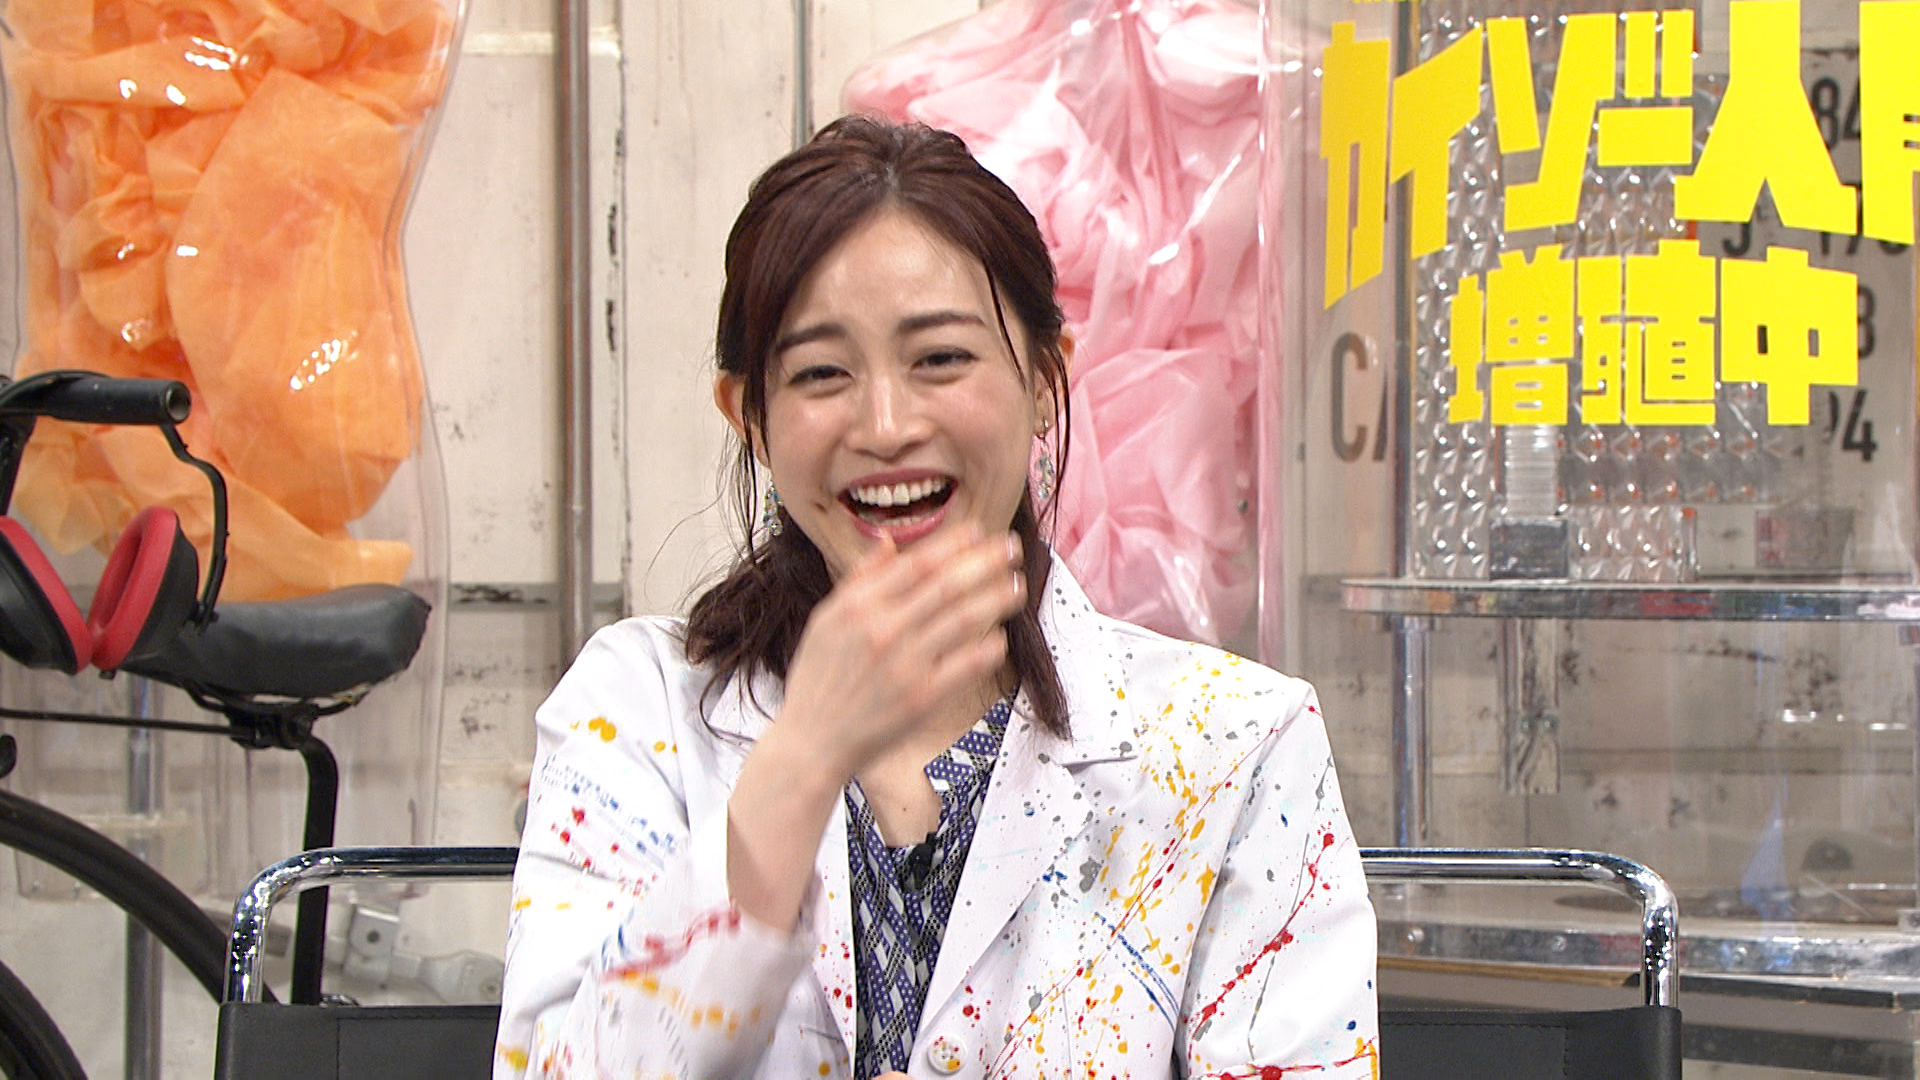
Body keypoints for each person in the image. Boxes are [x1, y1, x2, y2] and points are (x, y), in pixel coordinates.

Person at [493, 115, 1378, 1080]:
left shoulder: (1235, 747)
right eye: (821, 373)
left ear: (1045, 380)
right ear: (749, 417)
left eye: (941, 359)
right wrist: (799, 765)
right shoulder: (637, 714)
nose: (886, 426)